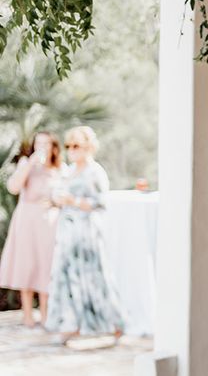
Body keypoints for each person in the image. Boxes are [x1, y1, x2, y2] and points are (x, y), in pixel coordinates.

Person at [45, 126, 124, 342]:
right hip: (67, 231)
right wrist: (57, 200)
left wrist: (75, 202)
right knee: (66, 276)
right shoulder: (69, 170)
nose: (71, 150)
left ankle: (115, 322)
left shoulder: (95, 171)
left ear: (88, 147)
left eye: (76, 145)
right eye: (68, 145)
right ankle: (71, 323)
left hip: (87, 232)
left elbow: (101, 202)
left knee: (93, 277)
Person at [0, 131, 63, 327]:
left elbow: (64, 196)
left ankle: (45, 312)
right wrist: (29, 165)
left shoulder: (60, 169)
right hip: (26, 220)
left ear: (53, 147)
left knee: (47, 264)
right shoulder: (25, 164)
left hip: (49, 223)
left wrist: (55, 203)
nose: (42, 147)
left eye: (46, 144)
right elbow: (13, 187)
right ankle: (27, 313)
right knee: (26, 263)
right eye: (38, 144)